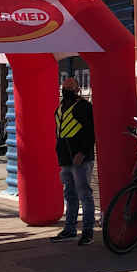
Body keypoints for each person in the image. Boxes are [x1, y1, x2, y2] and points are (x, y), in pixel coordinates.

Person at [52, 77, 95, 245]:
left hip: (80, 160)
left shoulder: (84, 107)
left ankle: (88, 232)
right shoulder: (60, 109)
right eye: (64, 87)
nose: (65, 90)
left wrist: (82, 152)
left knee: (85, 195)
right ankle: (70, 230)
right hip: (66, 160)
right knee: (69, 195)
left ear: (77, 90)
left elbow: (91, 132)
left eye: (69, 88)